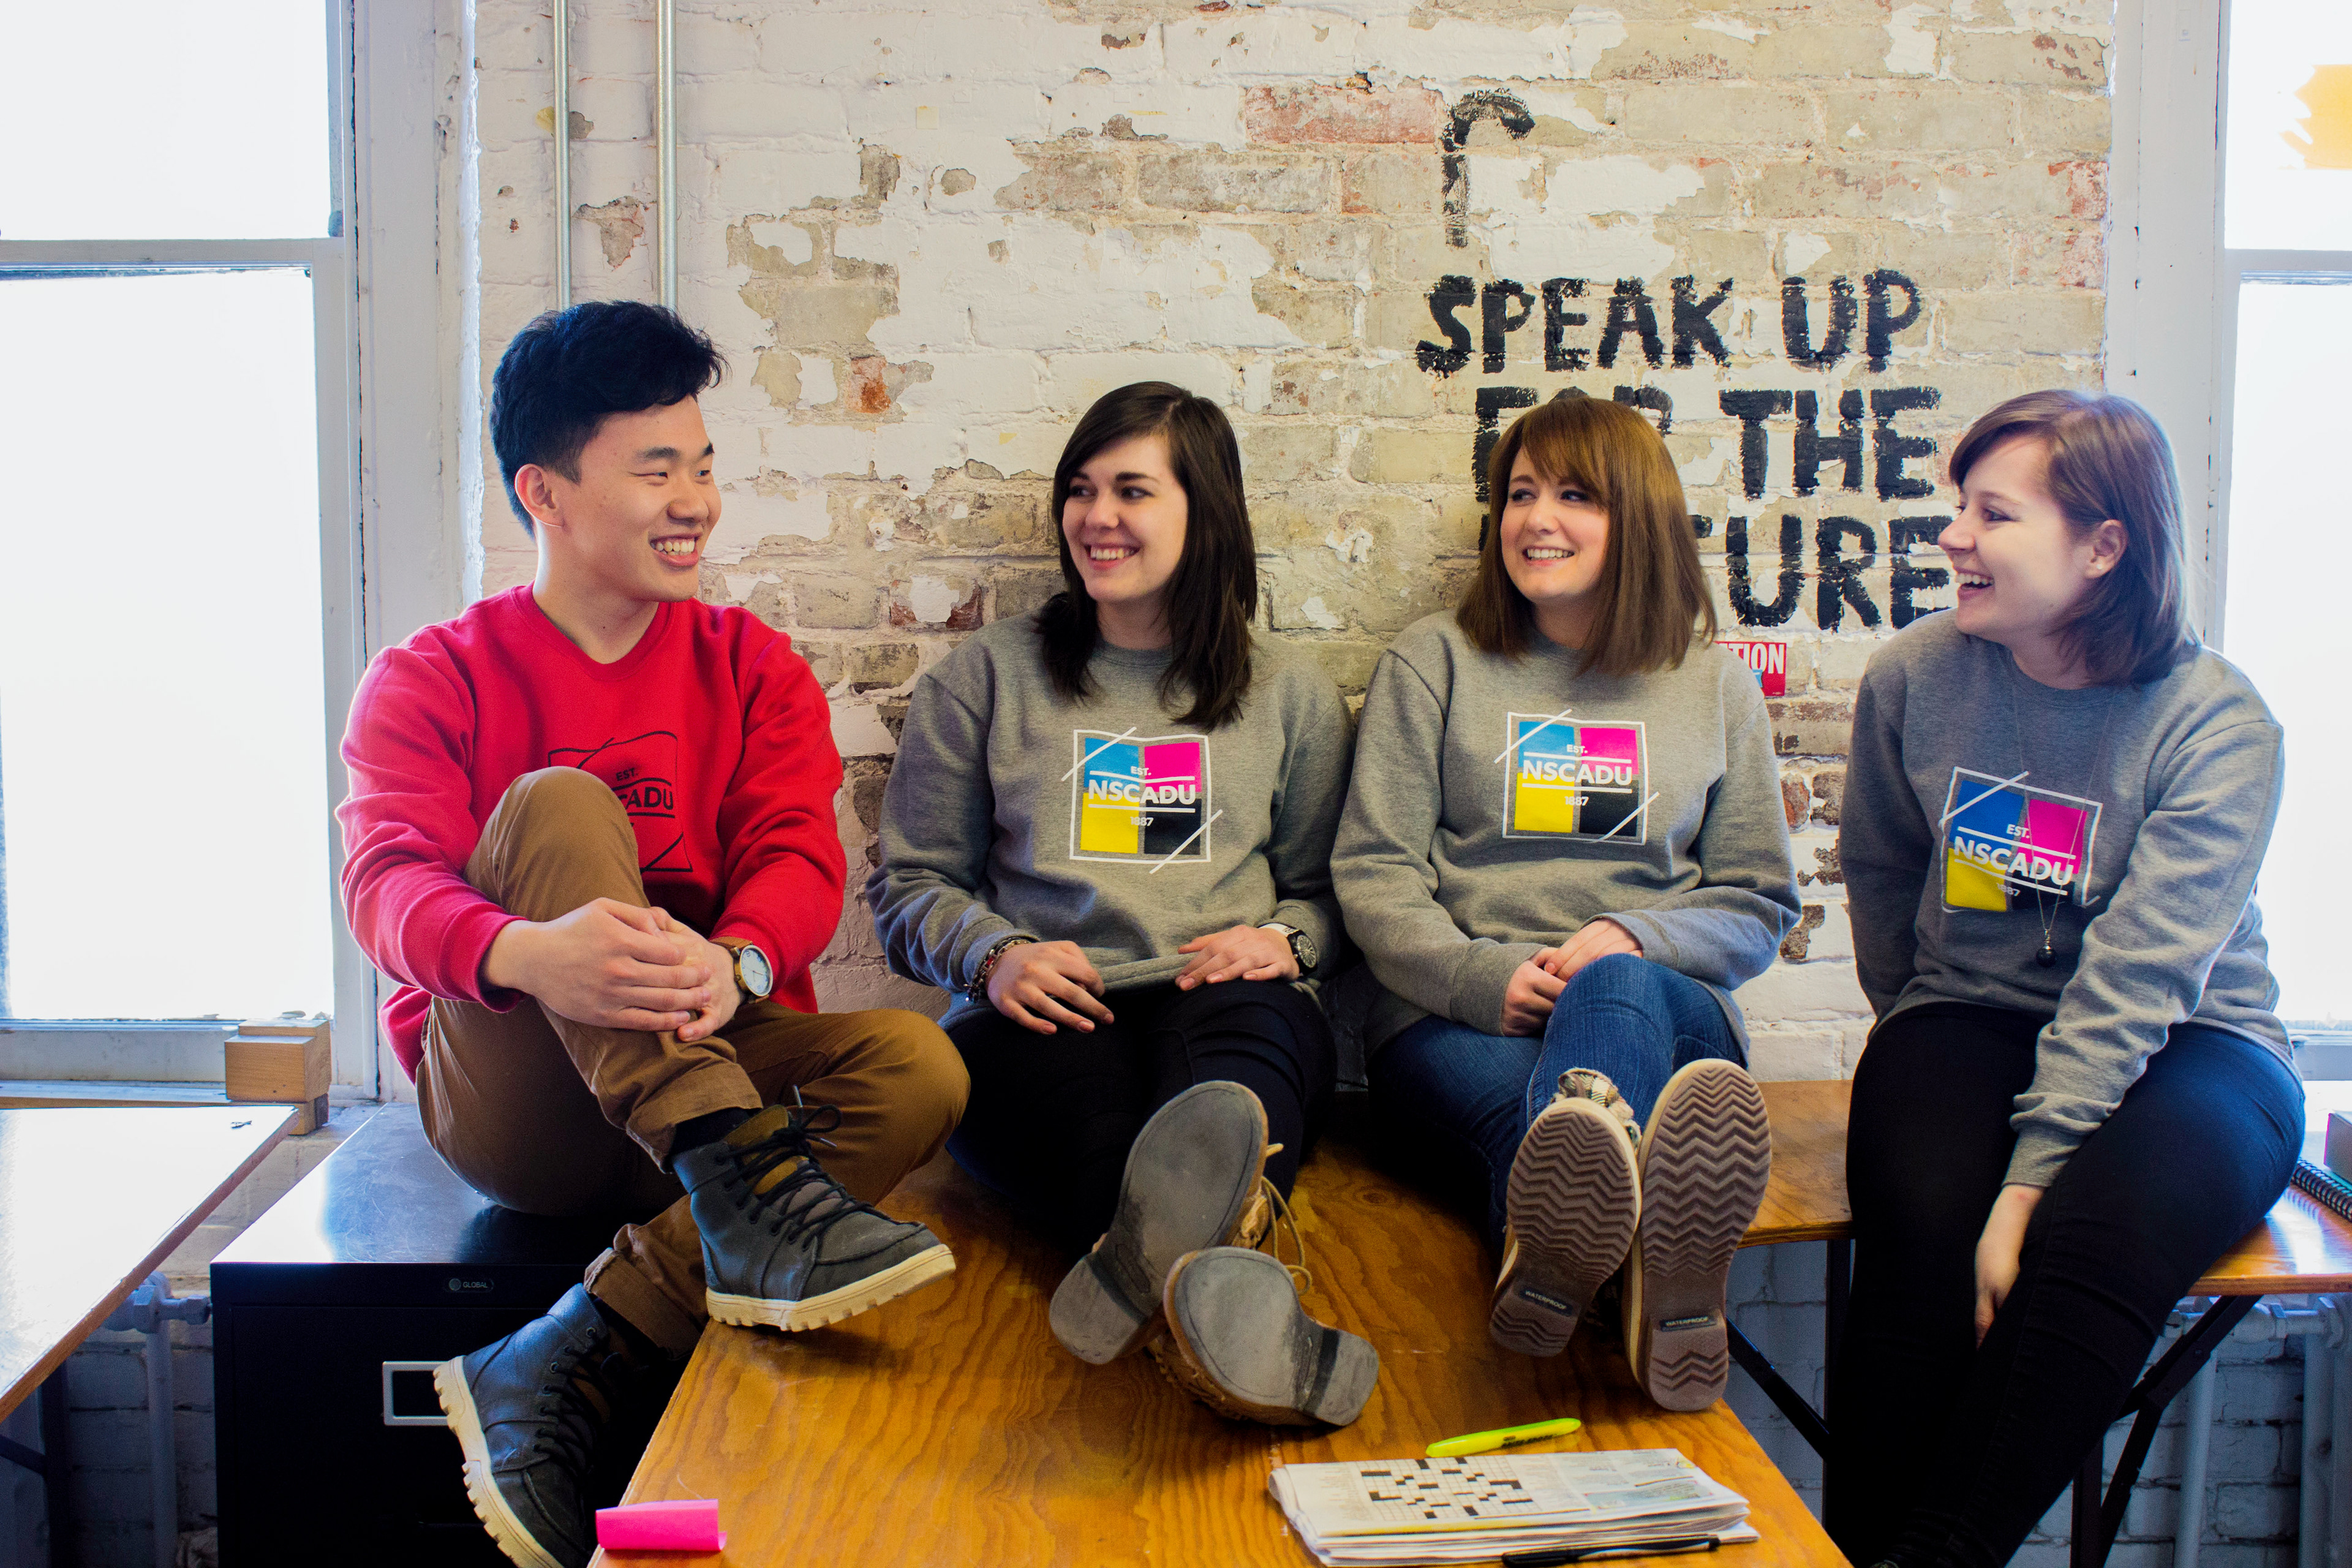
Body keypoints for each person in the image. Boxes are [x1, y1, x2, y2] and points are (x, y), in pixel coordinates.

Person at [337, 301, 968, 1568]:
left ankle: (573, 1342)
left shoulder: (754, 666)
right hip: (526, 1101)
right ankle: (734, 1172)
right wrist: (534, 954)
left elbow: (801, 856)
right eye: (655, 468)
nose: (694, 500)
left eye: (704, 463)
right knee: (563, 807)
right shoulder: (434, 673)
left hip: (710, 1058)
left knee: (925, 1068)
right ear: (548, 492)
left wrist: (729, 959)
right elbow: (384, 881)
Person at [1828, 390, 2302, 1568]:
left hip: (2201, 1039)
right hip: (1970, 1010)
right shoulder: (1917, 675)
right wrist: (1918, 1043)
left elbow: (2142, 972)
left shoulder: (2217, 724)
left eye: (1994, 514)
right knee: (1927, 1224)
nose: (1953, 538)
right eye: (1959, 508)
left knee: (2101, 1234)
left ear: (2103, 547)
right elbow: (1882, 870)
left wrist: (2033, 1179)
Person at [866, 380, 1377, 1426]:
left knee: (1224, 1128)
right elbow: (911, 883)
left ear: (1207, 510)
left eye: (1132, 491)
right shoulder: (989, 679)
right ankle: (1244, 1325)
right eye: (1082, 490)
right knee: (1117, 1155)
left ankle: (1162, 1285)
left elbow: (1336, 894)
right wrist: (994, 954)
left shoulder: (1289, 693)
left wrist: (1285, 941)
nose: (1098, 517)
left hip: (1224, 997)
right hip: (1040, 1009)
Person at [1333, 394, 1798, 1410]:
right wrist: (1483, 975)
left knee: (1614, 989)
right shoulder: (1438, 661)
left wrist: (1633, 934)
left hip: (1667, 1007)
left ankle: (1558, 1254)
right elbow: (1373, 871)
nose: (1536, 520)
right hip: (1457, 1017)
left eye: (1575, 495)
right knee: (1540, 1140)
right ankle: (1649, 1290)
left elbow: (1760, 900)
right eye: (1520, 494)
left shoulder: (1715, 687)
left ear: (1638, 517)